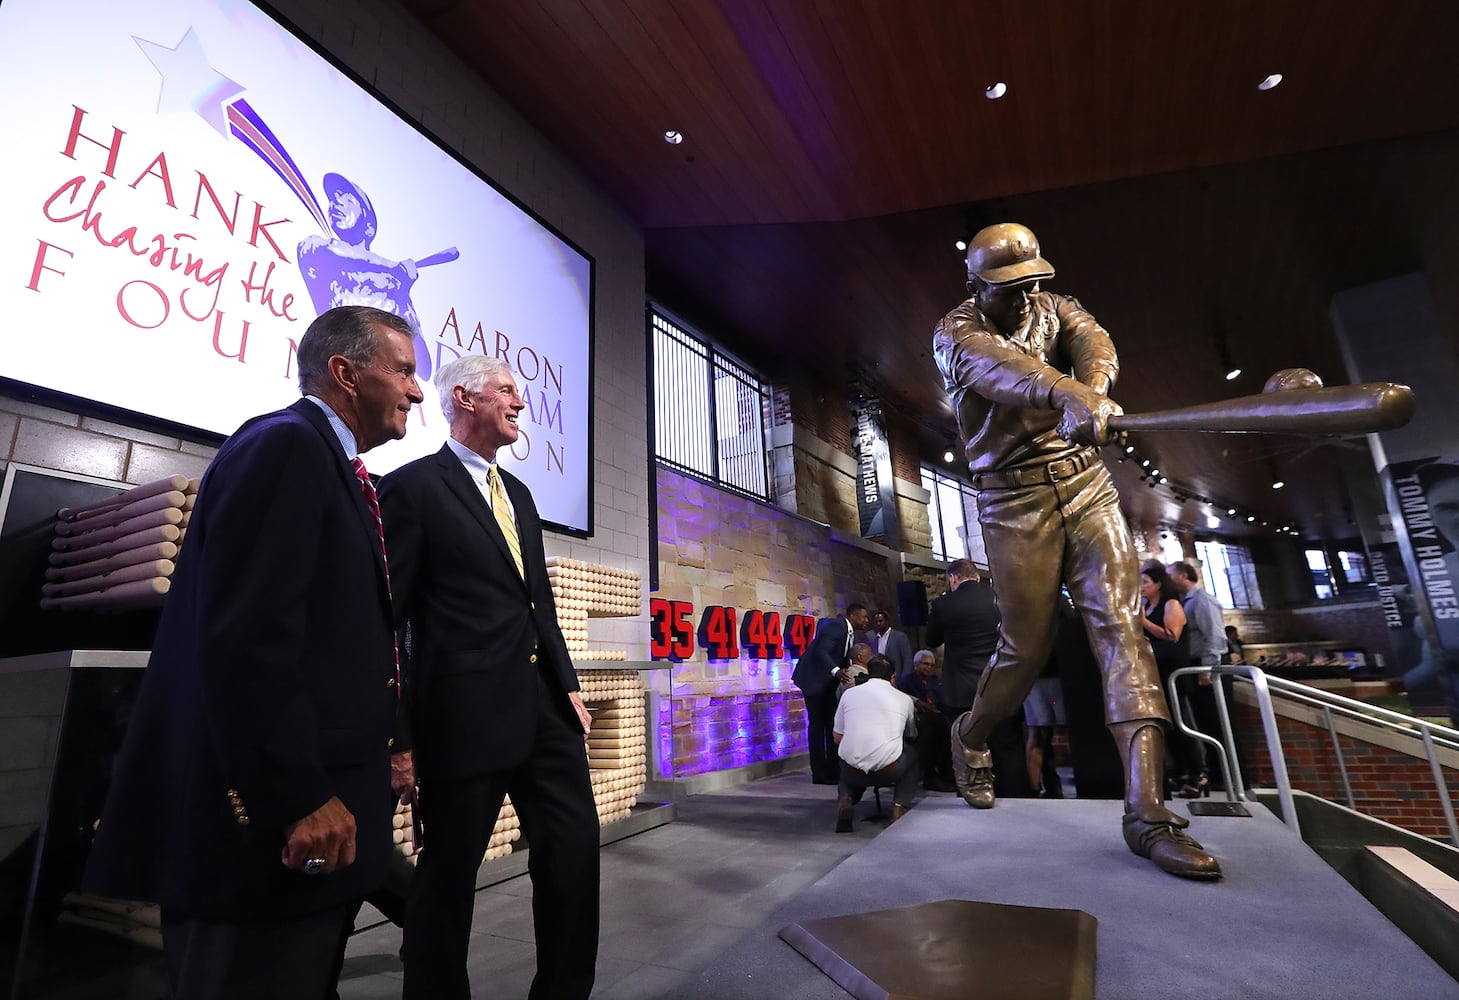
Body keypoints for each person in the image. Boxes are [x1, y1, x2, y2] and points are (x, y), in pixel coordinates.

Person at [83, 306, 425, 998]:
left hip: (318, 826)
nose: (417, 392)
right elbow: (248, 638)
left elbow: (329, 641)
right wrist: (299, 794)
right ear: (345, 372)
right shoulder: (286, 446)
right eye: (404, 370)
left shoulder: (333, 466)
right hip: (266, 836)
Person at [932, 222, 1220, 879]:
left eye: (1034, 283)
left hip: (1087, 489)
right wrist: (1067, 392)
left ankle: (1148, 814)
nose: (1027, 297)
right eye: (1010, 290)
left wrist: (1093, 384)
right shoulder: (953, 332)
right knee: (1024, 648)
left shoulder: (1052, 306)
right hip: (1013, 502)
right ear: (975, 286)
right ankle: (968, 735)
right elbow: (1002, 371)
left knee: (1122, 630)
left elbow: (1093, 339)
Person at [379, 354, 598, 1000]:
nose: (521, 404)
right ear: (464, 398)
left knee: (573, 862)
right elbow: (385, 623)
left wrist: (569, 687)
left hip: (546, 715)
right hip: (462, 720)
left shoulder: (521, 496)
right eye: (507, 390)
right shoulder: (413, 488)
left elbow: (539, 605)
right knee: (446, 881)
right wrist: (398, 736)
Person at [297, 173, 451, 378]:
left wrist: (403, 293)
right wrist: (391, 267)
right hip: (335, 372)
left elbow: (423, 367)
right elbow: (324, 250)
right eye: (333, 199)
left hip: (374, 385)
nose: (335, 204)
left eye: (347, 198)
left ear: (368, 223)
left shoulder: (392, 284)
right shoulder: (317, 249)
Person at [925, 559, 1031, 800]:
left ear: (953, 579)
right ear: (976, 576)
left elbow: (932, 640)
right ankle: (1017, 793)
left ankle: (976, 792)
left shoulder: (944, 604)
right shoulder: (999, 598)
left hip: (962, 688)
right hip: (1000, 682)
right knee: (1007, 742)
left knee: (968, 742)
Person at [833, 655, 919, 831]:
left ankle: (846, 798)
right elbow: (911, 735)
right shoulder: (904, 699)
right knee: (913, 755)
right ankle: (899, 806)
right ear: (893, 677)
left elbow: (837, 737)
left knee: (848, 753)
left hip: (851, 771)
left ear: (868, 672)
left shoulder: (849, 694)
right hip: (888, 770)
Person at [1141, 564, 1203, 797]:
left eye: (1145, 582)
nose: (1142, 587)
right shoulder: (1146, 606)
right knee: (1167, 726)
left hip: (1173, 673)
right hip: (1156, 672)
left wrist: (1144, 623)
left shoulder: (1171, 604)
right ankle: (1180, 771)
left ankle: (1198, 772)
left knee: (1181, 722)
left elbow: (1172, 635)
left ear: (1158, 584)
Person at [793, 603, 871, 784]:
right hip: (813, 681)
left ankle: (833, 771)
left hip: (827, 683)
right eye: (864, 617)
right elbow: (822, 652)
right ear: (853, 616)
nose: (867, 620)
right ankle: (820, 773)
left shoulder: (849, 632)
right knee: (817, 726)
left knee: (832, 724)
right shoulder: (837, 627)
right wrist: (836, 671)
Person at [898, 649, 956, 791]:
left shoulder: (935, 681)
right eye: (925, 664)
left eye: (932, 665)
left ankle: (947, 775)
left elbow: (942, 703)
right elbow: (903, 701)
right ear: (916, 664)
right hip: (916, 720)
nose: (929, 667)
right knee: (930, 728)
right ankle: (930, 778)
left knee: (948, 727)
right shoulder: (907, 681)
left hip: (937, 719)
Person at [870, 609, 915, 682]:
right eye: (876, 622)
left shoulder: (899, 636)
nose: (878, 624)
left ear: (887, 621)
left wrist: (904, 678)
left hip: (897, 678)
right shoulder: (874, 640)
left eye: (880, 621)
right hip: (881, 679)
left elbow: (907, 659)